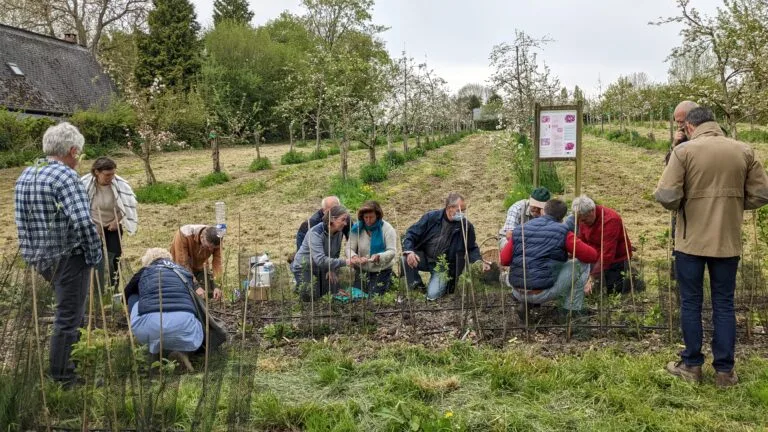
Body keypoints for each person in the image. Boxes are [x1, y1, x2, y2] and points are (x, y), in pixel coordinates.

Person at [654, 107, 768, 388]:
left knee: (691, 303)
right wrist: (734, 205)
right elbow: (762, 193)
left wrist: (686, 202)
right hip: (727, 241)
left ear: (690, 127)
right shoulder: (744, 150)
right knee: (724, 304)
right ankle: (725, 372)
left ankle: (691, 365)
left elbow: (666, 195)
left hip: (691, 241)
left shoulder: (684, 152)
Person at [14, 122, 102, 386]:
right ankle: (63, 377)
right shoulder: (65, 177)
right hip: (68, 257)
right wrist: (94, 255)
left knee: (69, 311)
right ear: (73, 151)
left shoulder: (27, 174)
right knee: (69, 316)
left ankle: (71, 362)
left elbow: (21, 222)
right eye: (79, 153)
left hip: (42, 258)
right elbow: (84, 223)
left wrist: (32, 255)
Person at [500, 199, 598, 315]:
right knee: (582, 263)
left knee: (531, 266)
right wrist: (568, 252)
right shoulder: (563, 232)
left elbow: (504, 260)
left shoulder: (520, 229)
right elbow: (592, 256)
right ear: (562, 219)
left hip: (516, 290)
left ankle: (526, 303)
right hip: (540, 293)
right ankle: (571, 311)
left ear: (543, 212)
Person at [124, 248, 203, 372]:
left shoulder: (145, 271)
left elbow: (126, 294)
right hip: (184, 325)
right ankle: (182, 352)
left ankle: (154, 351)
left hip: (151, 326)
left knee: (133, 296)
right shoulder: (182, 271)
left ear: (147, 262)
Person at [401, 192, 490, 300]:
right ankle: (418, 286)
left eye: (464, 210)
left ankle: (436, 288)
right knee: (405, 258)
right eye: (459, 210)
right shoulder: (431, 218)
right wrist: (410, 251)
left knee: (433, 295)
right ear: (449, 208)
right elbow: (411, 233)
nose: (462, 214)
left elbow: (471, 247)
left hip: (443, 265)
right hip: (424, 257)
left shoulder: (466, 226)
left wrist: (478, 261)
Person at [81, 157, 138, 289]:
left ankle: (114, 288)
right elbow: (81, 207)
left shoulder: (120, 185)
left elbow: (126, 206)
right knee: (96, 257)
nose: (111, 177)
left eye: (113, 174)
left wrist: (116, 221)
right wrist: (92, 225)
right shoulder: (85, 184)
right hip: (93, 223)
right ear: (97, 172)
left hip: (113, 224)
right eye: (107, 175)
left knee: (114, 256)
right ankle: (97, 288)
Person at [567, 195, 638, 295]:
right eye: (579, 220)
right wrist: (572, 252)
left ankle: (633, 279)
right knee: (587, 288)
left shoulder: (610, 220)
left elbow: (607, 253)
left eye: (583, 220)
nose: (581, 223)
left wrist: (592, 278)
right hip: (595, 256)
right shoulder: (583, 218)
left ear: (592, 211)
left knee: (613, 291)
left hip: (616, 259)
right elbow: (581, 239)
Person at [292, 205, 360, 301]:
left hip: (322, 268)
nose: (345, 224)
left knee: (333, 293)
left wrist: (331, 269)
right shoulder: (315, 233)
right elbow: (320, 260)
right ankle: (300, 286)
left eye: (346, 220)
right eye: (343, 220)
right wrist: (346, 262)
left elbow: (335, 253)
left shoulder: (338, 232)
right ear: (332, 219)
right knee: (311, 297)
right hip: (305, 267)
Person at [347, 201, 398, 296]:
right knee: (357, 296)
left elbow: (392, 251)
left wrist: (379, 256)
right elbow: (349, 248)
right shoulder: (356, 228)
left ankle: (389, 278)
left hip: (381, 269)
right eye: (366, 217)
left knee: (374, 297)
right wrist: (354, 257)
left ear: (378, 216)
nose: (368, 220)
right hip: (362, 269)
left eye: (371, 217)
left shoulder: (387, 229)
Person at [169, 225, 223, 300]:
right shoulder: (183, 236)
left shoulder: (217, 239)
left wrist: (217, 285)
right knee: (188, 294)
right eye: (208, 247)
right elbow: (183, 264)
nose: (210, 250)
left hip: (200, 266)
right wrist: (196, 286)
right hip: (180, 268)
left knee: (207, 294)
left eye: (213, 248)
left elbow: (218, 263)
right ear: (201, 237)